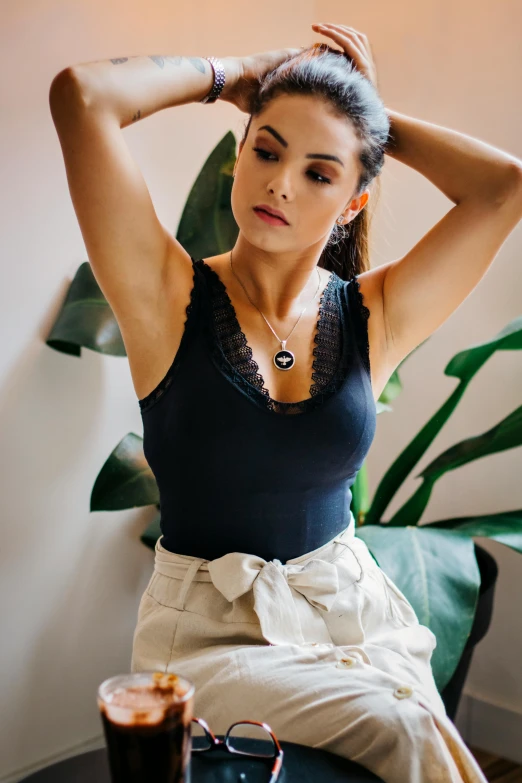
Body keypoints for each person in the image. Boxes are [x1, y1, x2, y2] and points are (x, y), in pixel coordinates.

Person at [50, 22, 522, 783]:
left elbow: (506, 186)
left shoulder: (377, 312)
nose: (280, 184)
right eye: (267, 150)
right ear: (239, 154)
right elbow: (82, 97)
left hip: (351, 609)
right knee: (406, 728)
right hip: (209, 637)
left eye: (319, 172)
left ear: (352, 201)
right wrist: (240, 71)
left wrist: (367, 117)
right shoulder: (165, 298)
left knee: (407, 724)